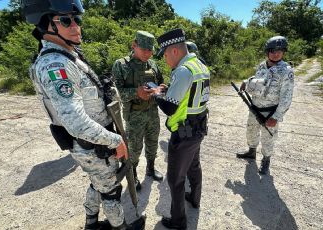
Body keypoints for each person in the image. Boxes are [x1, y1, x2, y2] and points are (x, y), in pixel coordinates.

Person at [21, 0, 145, 229]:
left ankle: (91, 222)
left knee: (98, 183)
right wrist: (116, 140)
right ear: (45, 25)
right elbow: (75, 122)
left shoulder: (68, 55)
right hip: (93, 144)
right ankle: (120, 227)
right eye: (66, 20)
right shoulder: (55, 64)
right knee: (110, 190)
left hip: (93, 142)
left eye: (77, 19)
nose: (76, 26)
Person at [154, 28, 210, 230]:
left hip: (184, 133)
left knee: (175, 180)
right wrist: (168, 90)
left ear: (174, 51)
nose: (165, 60)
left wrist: (157, 94)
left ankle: (178, 223)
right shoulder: (200, 65)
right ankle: (194, 199)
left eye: (166, 55)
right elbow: (190, 94)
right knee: (194, 166)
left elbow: (169, 108)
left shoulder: (183, 70)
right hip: (198, 128)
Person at [112, 31, 164, 191]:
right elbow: (116, 93)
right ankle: (133, 174)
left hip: (152, 113)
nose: (148, 54)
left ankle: (150, 168)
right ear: (134, 45)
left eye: (150, 50)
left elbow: (161, 83)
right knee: (134, 148)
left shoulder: (153, 65)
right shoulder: (121, 65)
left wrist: (162, 89)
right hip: (134, 115)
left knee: (153, 142)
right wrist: (136, 92)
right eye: (144, 50)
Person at [236, 35, 294, 175]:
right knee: (251, 131)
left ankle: (266, 160)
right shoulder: (262, 65)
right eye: (273, 51)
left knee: (268, 138)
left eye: (279, 51)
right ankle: (251, 151)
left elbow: (286, 97)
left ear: (284, 52)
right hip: (255, 107)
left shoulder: (286, 71)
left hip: (271, 111)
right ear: (267, 51)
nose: (276, 54)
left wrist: (276, 116)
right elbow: (258, 79)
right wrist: (246, 81)